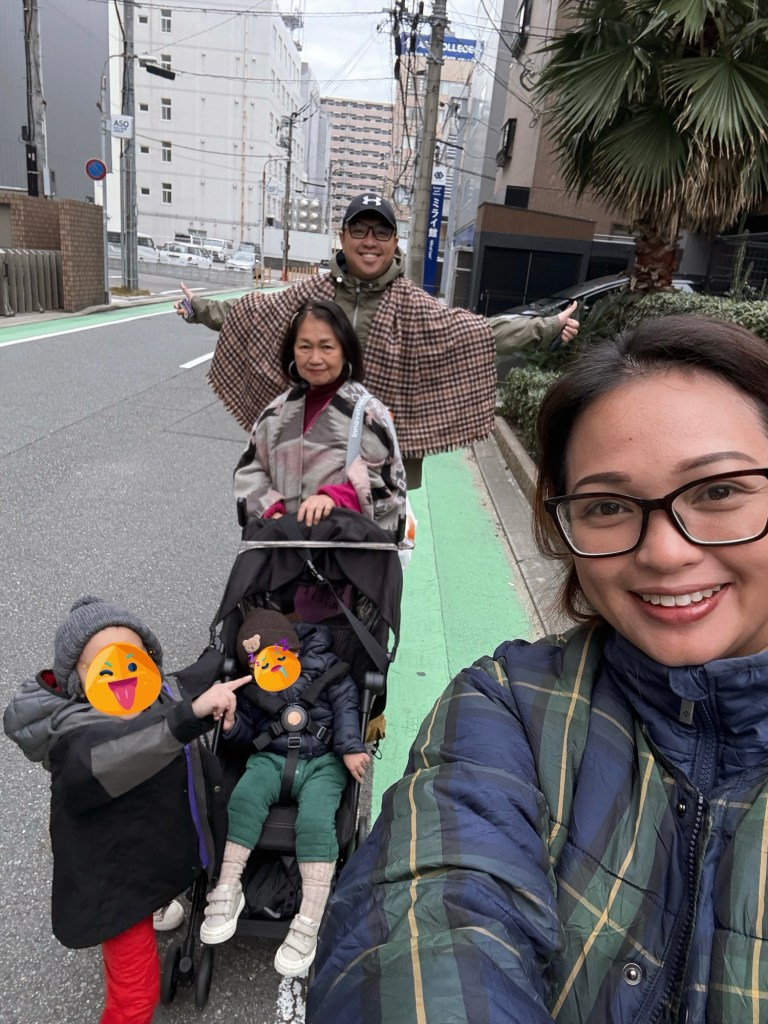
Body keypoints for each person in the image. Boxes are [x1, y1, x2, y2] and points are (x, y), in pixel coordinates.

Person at [306, 314, 768, 1023]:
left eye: (718, 492)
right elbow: (426, 915)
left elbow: (467, 336)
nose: (666, 553)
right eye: (608, 506)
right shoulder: (510, 708)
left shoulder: (384, 383)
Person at [174, 193, 579, 487]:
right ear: (342, 236)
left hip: (381, 451)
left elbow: (479, 332)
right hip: (314, 440)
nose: (370, 240)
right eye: (360, 229)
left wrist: (544, 328)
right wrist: (199, 309)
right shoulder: (312, 295)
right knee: (307, 538)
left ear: (394, 241)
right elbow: (255, 313)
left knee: (375, 550)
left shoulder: (414, 305)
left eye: (382, 231)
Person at [3, 595, 248, 1024]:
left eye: (134, 661)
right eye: (104, 666)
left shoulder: (155, 696)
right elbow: (125, 752)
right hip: (115, 884)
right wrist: (187, 717)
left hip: (144, 852)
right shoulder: (79, 739)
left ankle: (159, 903)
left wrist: (222, 666)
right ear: (77, 679)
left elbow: (183, 687)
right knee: (135, 998)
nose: (123, 675)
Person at [199, 608, 369, 979]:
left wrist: (351, 747)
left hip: (323, 761)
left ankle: (310, 915)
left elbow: (346, 708)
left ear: (292, 648)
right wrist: (233, 725)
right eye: (258, 662)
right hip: (270, 757)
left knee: (315, 821)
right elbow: (249, 737)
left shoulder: (327, 668)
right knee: (243, 799)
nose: (269, 666)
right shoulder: (252, 683)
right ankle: (228, 886)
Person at [233, 297, 406, 533]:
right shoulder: (276, 412)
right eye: (305, 347)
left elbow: (389, 484)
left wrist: (335, 498)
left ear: (345, 351)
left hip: (345, 549)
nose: (315, 359)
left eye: (327, 347)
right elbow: (250, 468)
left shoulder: (368, 413)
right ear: (292, 351)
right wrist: (271, 509)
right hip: (283, 545)